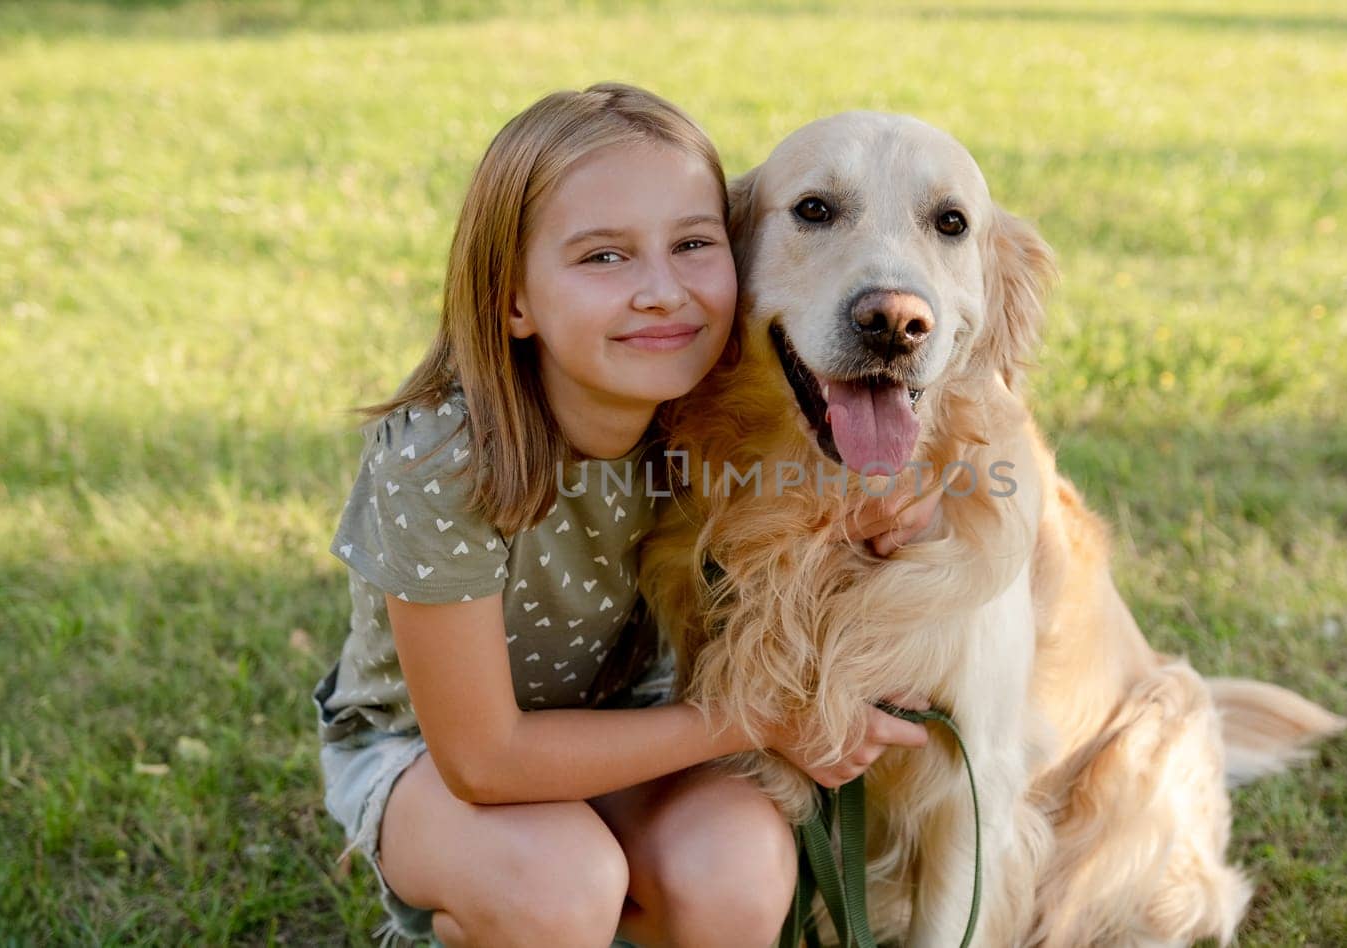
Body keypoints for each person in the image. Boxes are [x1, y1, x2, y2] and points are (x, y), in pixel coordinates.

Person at [313, 83, 939, 947]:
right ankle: (485, 919)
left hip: (634, 727)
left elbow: (838, 508)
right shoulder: (440, 461)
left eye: (692, 243)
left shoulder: (707, 413)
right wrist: (756, 718)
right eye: (604, 257)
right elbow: (485, 760)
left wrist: (878, 520)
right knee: (563, 884)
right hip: (429, 761)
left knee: (740, 864)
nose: (663, 292)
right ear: (513, 299)